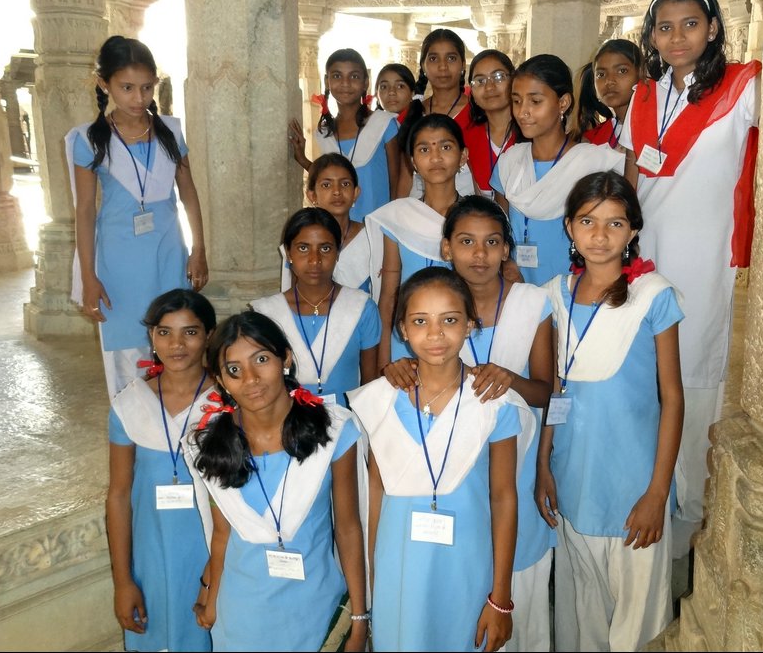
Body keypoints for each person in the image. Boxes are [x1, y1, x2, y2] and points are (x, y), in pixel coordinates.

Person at [621, 0, 762, 559]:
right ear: (651, 36)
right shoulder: (644, 94)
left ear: (712, 29)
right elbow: (632, 175)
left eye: (690, 25)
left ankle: (692, 533)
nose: (676, 37)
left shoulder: (743, 86)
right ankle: (646, 504)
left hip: (707, 259)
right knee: (647, 378)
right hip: (647, 256)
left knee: (696, 378)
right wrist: (622, 247)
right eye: (664, 27)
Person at [383, 195, 555, 650]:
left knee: (520, 610)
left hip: (508, 475)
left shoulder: (531, 305)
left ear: (505, 250)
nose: (479, 254)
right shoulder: (429, 312)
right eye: (466, 242)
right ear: (446, 249)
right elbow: (413, 381)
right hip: (449, 488)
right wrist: (393, 369)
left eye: (491, 242)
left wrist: (510, 379)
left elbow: (545, 392)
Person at [347, 267, 535, 652]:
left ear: (469, 325)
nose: (435, 334)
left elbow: (503, 498)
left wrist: (501, 596)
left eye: (450, 320)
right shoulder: (380, 401)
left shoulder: (493, 404)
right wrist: (371, 581)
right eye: (420, 321)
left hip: (466, 561)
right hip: (398, 565)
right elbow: (375, 494)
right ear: (402, 329)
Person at [537, 171, 684, 651]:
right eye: (588, 221)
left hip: (633, 488)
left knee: (639, 622)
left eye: (615, 224)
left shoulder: (653, 295)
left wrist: (657, 492)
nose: (600, 236)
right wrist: (544, 466)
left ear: (633, 230)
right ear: (569, 228)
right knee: (586, 614)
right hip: (575, 479)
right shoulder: (557, 295)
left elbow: (672, 397)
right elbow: (556, 388)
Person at [184, 311, 369, 652]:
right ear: (221, 380)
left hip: (315, 609)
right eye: (234, 370)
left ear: (286, 358)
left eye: (262, 359)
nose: (251, 379)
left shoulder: (332, 431)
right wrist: (211, 598)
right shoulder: (210, 443)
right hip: (242, 617)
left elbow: (348, 528)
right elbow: (222, 534)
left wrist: (359, 618)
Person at [67, 35, 208, 400]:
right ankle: (131, 432)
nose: (138, 98)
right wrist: (88, 277)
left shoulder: (170, 132)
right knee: (128, 352)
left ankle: (177, 421)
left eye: (146, 88)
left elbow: (188, 192)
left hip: (166, 250)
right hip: (118, 260)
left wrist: (199, 248)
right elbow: (84, 210)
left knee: (175, 337)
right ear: (105, 84)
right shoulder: (90, 139)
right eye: (126, 88)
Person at [105, 288, 218, 652]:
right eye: (164, 331)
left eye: (190, 331)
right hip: (150, 559)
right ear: (151, 338)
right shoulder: (129, 405)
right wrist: (123, 581)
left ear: (209, 336)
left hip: (212, 556)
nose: (176, 343)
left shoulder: (228, 404)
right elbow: (120, 494)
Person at [490, 54, 624, 286]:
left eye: (535, 101)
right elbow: (499, 228)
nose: (523, 112)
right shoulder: (509, 163)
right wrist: (506, 264)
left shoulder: (591, 165)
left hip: (575, 287)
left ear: (563, 103)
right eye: (517, 101)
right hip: (518, 286)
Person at [251, 207, 379, 407]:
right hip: (284, 426)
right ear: (288, 253)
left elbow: (369, 384)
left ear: (338, 252)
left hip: (347, 429)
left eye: (325, 248)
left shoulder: (361, 308)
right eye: (303, 248)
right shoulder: (266, 314)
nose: (314, 259)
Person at [365, 114, 461, 366]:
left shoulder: (476, 219)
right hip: (406, 341)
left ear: (464, 156)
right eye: (424, 149)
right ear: (413, 162)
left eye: (446, 147)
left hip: (459, 337)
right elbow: (389, 297)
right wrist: (385, 363)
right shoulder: (398, 217)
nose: (436, 156)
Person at [288, 48, 403, 222]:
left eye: (354, 76)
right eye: (337, 76)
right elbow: (331, 177)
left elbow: (397, 181)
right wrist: (302, 159)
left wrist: (394, 226)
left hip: (379, 226)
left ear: (365, 83)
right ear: (327, 82)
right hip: (339, 226)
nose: (345, 83)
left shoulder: (384, 124)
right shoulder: (325, 132)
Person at [399, 28, 477, 199]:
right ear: (423, 66)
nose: (443, 66)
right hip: (419, 207)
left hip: (466, 205)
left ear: (463, 64)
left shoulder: (478, 113)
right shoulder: (411, 114)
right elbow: (405, 175)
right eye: (433, 58)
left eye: (451, 58)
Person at [279, 154, 371, 293]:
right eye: (326, 185)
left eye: (345, 184)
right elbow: (293, 296)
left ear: (355, 193)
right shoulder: (299, 241)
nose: (337, 192)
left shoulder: (372, 238)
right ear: (312, 196)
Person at [463, 50, 520, 198]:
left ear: (514, 80)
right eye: (480, 81)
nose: (489, 87)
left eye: (498, 77)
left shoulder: (532, 133)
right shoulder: (466, 138)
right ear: (472, 92)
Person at [573, 39, 643, 148]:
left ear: (641, 73)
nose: (609, 81)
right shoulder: (591, 141)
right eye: (601, 75)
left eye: (622, 71)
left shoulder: (659, 126)